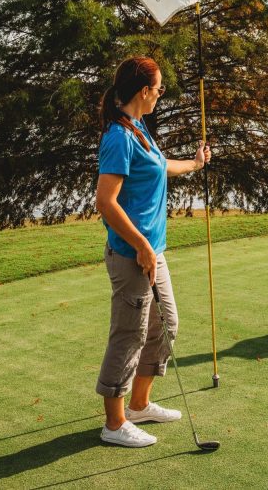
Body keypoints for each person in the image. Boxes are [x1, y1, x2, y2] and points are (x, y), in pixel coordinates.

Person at [94, 55, 211, 447]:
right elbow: (105, 202)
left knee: (166, 326)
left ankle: (140, 404)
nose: (161, 93)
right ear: (144, 92)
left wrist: (193, 165)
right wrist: (141, 245)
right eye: (159, 88)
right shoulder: (118, 137)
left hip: (151, 252)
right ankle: (114, 424)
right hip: (131, 255)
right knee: (129, 335)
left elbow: (160, 166)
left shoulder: (139, 128)